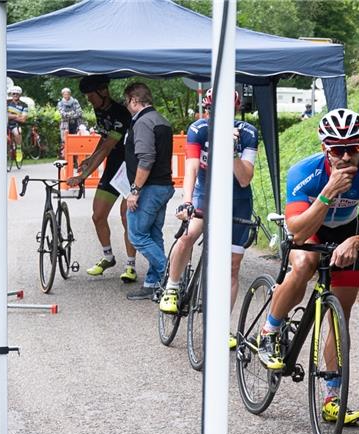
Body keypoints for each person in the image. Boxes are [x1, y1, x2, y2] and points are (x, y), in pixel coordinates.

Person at [255, 108, 359, 425]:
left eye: (352, 148)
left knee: (339, 314)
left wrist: (354, 242)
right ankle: (269, 330)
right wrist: (327, 193)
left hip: (346, 232)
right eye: (336, 149)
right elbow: (298, 230)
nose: (344, 157)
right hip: (309, 223)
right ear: (324, 149)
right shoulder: (305, 173)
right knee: (304, 262)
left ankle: (332, 397)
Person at [158, 88, 259, 349]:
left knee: (233, 266)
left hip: (237, 199)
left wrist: (231, 150)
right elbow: (191, 167)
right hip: (206, 191)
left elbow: (245, 178)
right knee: (189, 234)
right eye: (214, 109)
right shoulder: (199, 129)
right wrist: (187, 201)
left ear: (235, 110)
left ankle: (221, 328)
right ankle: (172, 285)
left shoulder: (247, 133)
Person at [67, 76, 139, 281]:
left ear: (103, 91)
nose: (89, 100)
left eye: (91, 96)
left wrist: (83, 176)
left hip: (129, 169)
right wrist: (90, 157)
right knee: (98, 215)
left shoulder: (120, 112)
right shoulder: (100, 110)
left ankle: (131, 266)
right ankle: (108, 257)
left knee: (127, 217)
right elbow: (104, 139)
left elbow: (108, 147)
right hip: (113, 168)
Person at [120, 82, 175, 300]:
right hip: (163, 186)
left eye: (127, 102)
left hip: (149, 189)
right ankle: (153, 283)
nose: (127, 107)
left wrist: (134, 190)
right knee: (153, 235)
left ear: (134, 100)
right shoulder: (162, 120)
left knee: (137, 236)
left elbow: (146, 158)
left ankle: (171, 275)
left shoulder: (143, 122)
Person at [5, 86, 26, 169]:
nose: (15, 95)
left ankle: (18, 149)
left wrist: (10, 116)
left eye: (17, 94)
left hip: (15, 125)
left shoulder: (24, 105)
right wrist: (17, 115)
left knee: (18, 132)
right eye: (13, 94)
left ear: (20, 95)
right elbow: (4, 114)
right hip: (4, 124)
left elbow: (23, 119)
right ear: (11, 94)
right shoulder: (6, 102)